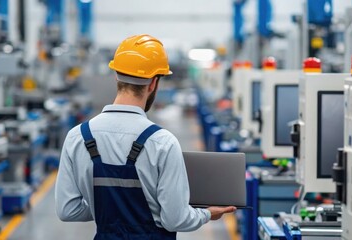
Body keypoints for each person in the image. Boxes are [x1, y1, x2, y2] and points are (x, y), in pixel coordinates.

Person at [55, 34, 236, 239]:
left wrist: (104, 208)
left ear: (116, 76)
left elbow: (67, 210)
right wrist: (206, 214)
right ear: (153, 83)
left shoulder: (77, 136)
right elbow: (174, 219)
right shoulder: (162, 142)